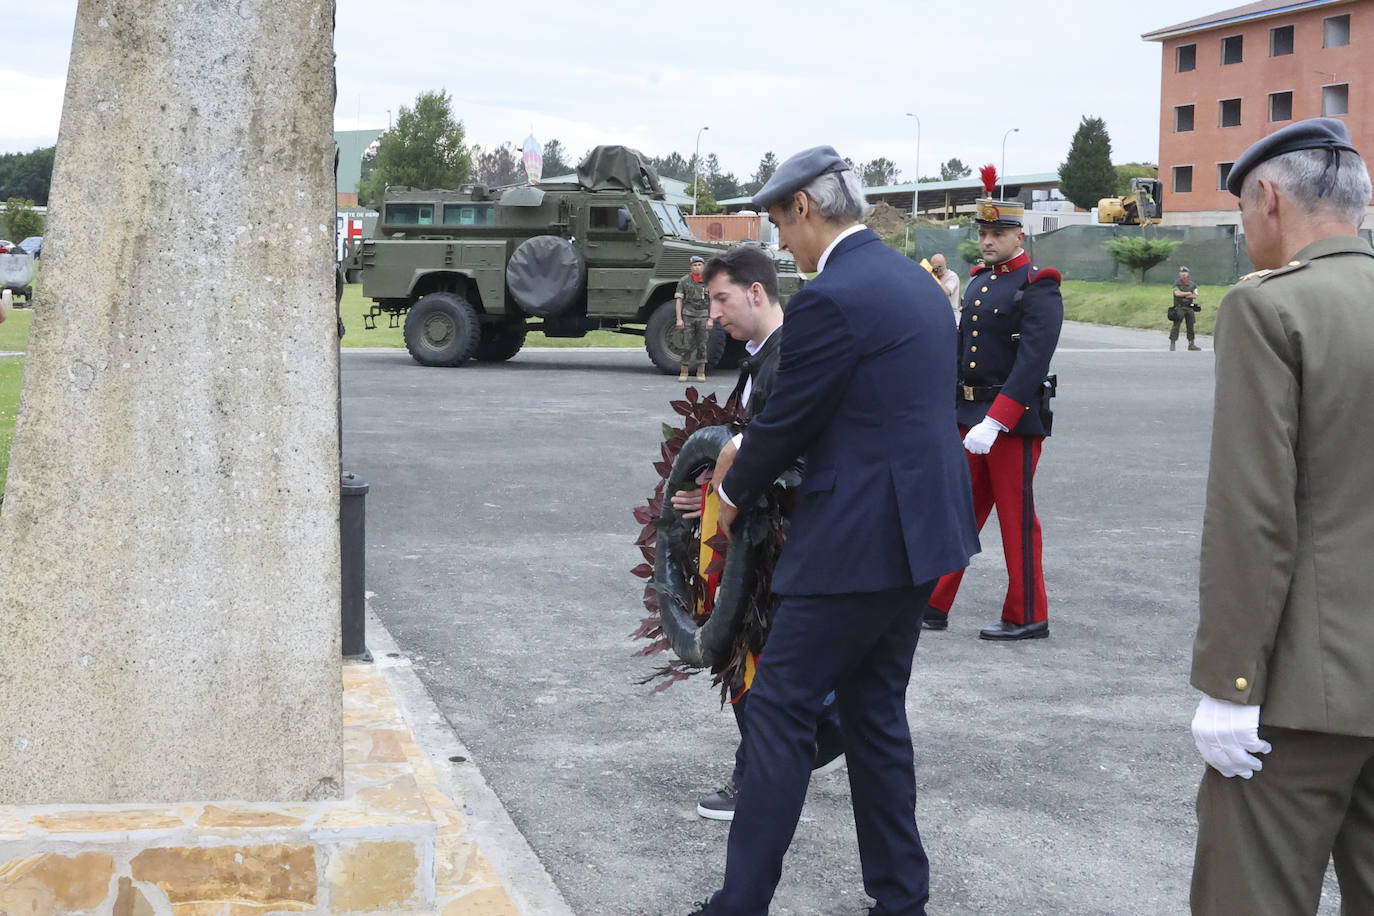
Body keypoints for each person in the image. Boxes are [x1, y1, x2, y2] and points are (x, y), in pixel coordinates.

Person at [686, 146, 978, 916]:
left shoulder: (832, 297)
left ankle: (738, 905)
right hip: (923, 534)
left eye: (782, 221)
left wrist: (733, 486)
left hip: (856, 539)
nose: (782, 242)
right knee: (875, 714)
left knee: (779, 710)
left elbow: (786, 424)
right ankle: (900, 900)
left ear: (808, 209)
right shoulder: (916, 284)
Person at [1188, 118, 1374, 915]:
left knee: (1250, 894)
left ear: (1268, 198)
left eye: (1239, 216)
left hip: (1306, 689)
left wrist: (1230, 682)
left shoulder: (1271, 308)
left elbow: (1253, 514)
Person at [667, 245, 844, 823]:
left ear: (757, 293)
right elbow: (731, 449)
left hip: (776, 541)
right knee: (752, 660)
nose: (713, 313)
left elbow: (787, 457)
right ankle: (797, 742)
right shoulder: (758, 358)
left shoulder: (788, 358)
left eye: (721, 299)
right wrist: (701, 498)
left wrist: (728, 500)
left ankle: (791, 751)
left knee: (754, 659)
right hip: (748, 533)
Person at [922, 181, 1063, 641]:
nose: (987, 241)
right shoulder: (982, 282)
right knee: (959, 511)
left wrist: (997, 419)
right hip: (970, 417)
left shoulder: (1037, 286)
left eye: (998, 233)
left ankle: (1028, 614)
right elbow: (961, 356)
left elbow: (1032, 363)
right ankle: (934, 603)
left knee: (1016, 518)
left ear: (1019, 236)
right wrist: (950, 412)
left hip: (1012, 421)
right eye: (983, 232)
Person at [676, 255, 714, 381]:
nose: (697, 267)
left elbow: (713, 301)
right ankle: (684, 371)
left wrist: (711, 319)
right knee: (686, 344)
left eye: (699, 265)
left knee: (702, 344)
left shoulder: (709, 281)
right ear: (691, 267)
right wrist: (679, 319)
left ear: (703, 266)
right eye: (694, 265)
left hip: (703, 315)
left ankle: (701, 371)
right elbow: (679, 300)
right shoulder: (684, 281)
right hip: (688, 315)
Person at [1169, 265, 1201, 351]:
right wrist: (1188, 293)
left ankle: (1191, 344)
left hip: (1189, 307)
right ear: (1179, 273)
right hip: (1179, 307)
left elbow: (1195, 296)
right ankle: (1173, 343)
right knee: (1176, 325)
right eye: (1182, 272)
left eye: (1185, 272)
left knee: (1191, 326)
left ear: (1188, 273)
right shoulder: (1177, 283)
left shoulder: (1192, 284)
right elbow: (1177, 294)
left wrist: (1184, 293)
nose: (1184, 274)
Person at [930, 252, 961, 325]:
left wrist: (934, 277)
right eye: (935, 267)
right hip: (938, 316)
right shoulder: (933, 276)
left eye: (940, 266)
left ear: (945, 264)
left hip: (951, 317)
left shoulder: (952, 276)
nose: (938, 269)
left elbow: (946, 292)